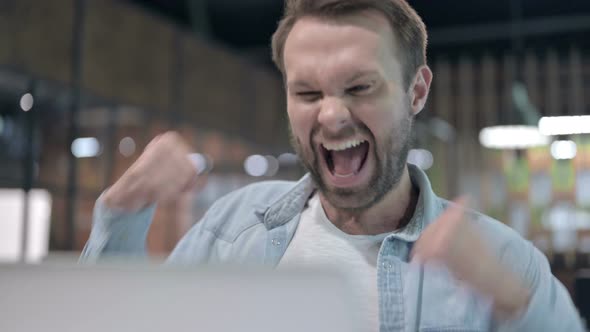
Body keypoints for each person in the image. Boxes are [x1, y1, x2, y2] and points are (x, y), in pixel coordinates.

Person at [81, 0, 583, 331]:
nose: (331, 114)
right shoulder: (231, 231)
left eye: (360, 87)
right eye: (307, 92)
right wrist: (124, 209)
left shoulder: (503, 259)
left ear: (417, 91)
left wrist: (517, 306)